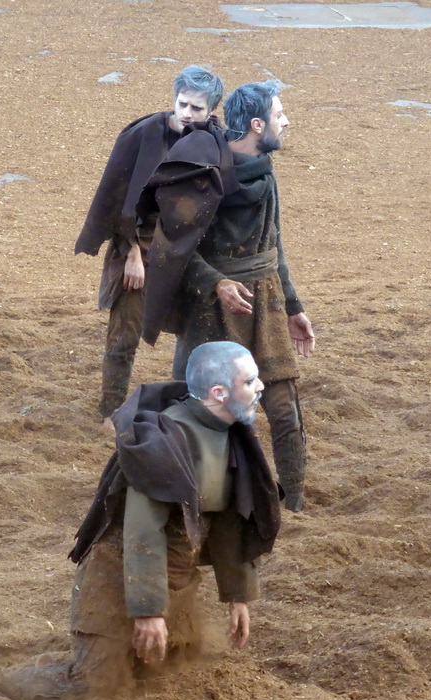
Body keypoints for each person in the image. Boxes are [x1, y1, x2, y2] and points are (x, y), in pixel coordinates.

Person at [0, 342, 281, 700]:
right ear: (219, 392)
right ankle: (7, 683)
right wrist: (148, 611)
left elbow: (229, 521)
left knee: (163, 677)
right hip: (119, 577)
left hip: (176, 582)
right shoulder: (165, 440)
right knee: (94, 689)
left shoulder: (234, 435)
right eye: (251, 380)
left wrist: (237, 596)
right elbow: (142, 532)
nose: (261, 387)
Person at [140, 81, 314, 511]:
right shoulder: (204, 173)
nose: (286, 121)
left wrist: (294, 307)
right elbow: (172, 247)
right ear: (257, 125)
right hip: (211, 310)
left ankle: (293, 504)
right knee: (194, 408)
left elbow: (275, 245)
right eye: (278, 115)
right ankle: (185, 499)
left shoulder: (267, 173)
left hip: (267, 303)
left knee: (284, 409)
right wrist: (217, 282)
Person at [75, 66, 226, 419]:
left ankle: (194, 408)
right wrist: (130, 254)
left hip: (189, 252)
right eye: (182, 104)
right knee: (124, 334)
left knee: (196, 332)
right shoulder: (142, 136)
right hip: (138, 247)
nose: (187, 114)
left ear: (211, 110)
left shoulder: (214, 140)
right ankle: (110, 409)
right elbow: (117, 199)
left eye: (197, 109)